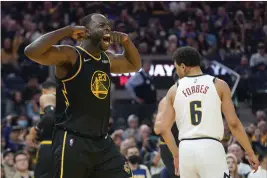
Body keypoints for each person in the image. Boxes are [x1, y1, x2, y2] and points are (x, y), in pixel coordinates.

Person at [25, 13, 141, 178]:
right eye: (102, 26)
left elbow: (134, 65)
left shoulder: (106, 59)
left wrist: (126, 41)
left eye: (109, 27)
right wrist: (66, 31)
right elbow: (32, 51)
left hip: (102, 141)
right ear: (85, 31)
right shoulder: (71, 55)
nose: (108, 30)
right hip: (73, 138)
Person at [157, 46, 259, 178]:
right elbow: (233, 123)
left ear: (183, 66)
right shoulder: (219, 84)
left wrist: (176, 156)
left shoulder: (173, 90)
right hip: (210, 147)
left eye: (176, 67)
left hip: (185, 149)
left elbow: (164, 128)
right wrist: (250, 152)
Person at [28, 80, 56, 178]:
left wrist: (35, 129)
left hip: (49, 147)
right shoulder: (67, 100)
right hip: (65, 146)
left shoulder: (47, 96)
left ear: (43, 91)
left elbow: (49, 117)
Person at [154, 74, 180, 178]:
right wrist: (173, 115)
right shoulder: (166, 101)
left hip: (188, 144)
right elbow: (157, 129)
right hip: (169, 147)